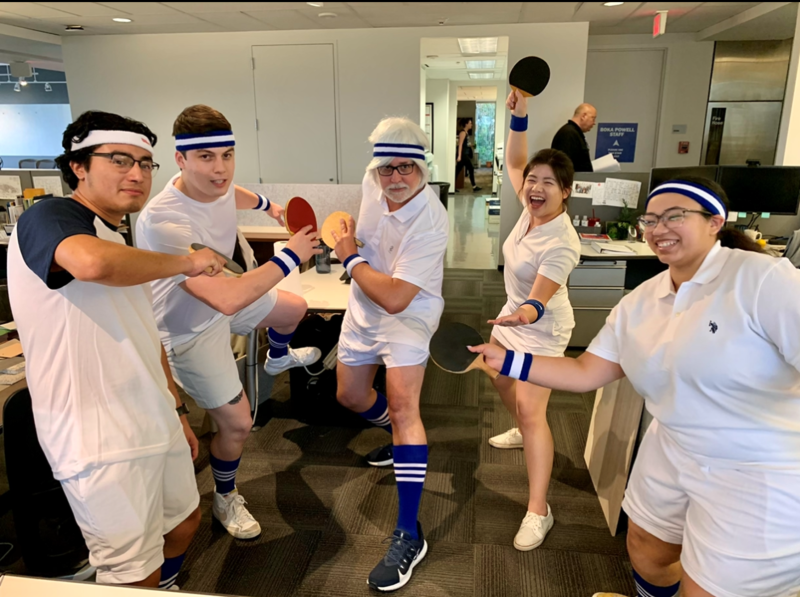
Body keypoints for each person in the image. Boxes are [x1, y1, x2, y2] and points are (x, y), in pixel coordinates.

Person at [470, 177, 800, 597]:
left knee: (706, 588)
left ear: (714, 222)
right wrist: (506, 360)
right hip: (673, 444)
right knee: (646, 549)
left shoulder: (762, 279)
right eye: (651, 219)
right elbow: (586, 371)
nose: (659, 228)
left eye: (675, 216)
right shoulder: (642, 301)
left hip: (757, 466)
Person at [7, 111, 230, 588]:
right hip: (96, 433)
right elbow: (89, 264)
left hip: (150, 414)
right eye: (120, 160)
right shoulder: (49, 217)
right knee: (131, 570)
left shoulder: (117, 236)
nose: (137, 174)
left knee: (184, 522)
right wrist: (187, 263)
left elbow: (144, 331)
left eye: (145, 164)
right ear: (78, 166)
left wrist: (175, 409)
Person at [136, 105, 321, 540]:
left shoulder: (215, 184)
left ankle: (277, 358)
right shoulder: (163, 221)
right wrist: (291, 255)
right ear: (180, 159)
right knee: (238, 424)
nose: (220, 169)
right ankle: (224, 496)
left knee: (293, 308)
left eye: (227, 155)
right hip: (189, 328)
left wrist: (271, 207)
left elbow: (232, 193)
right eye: (206, 157)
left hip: (224, 296)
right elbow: (226, 299)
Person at [331, 117, 448, 592]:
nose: (395, 177)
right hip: (364, 307)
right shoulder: (372, 184)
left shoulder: (431, 219)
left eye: (406, 167)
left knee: (403, 407)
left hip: (408, 314)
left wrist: (349, 257)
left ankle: (408, 534)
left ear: (422, 168)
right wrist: (349, 233)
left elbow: (398, 298)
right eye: (386, 168)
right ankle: (398, 438)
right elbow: (365, 230)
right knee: (350, 396)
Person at [485, 90, 581, 551]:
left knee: (531, 409)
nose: (536, 188)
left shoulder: (562, 241)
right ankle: (523, 431)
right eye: (532, 181)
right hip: (510, 319)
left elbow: (540, 298)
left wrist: (523, 313)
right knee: (499, 378)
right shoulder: (530, 210)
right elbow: (516, 159)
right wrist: (519, 116)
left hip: (539, 329)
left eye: (548, 183)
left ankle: (539, 510)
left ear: (566, 191)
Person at [551, 103, 597, 172]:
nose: (594, 123)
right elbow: (564, 166)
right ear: (584, 116)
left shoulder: (573, 132)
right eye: (593, 118)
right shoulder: (568, 134)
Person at [456, 117, 481, 192]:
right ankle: (474, 186)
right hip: (463, 155)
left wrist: (470, 145)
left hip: (464, 154)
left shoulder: (466, 133)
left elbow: (465, 144)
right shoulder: (463, 133)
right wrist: (459, 156)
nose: (471, 125)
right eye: (470, 123)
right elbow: (460, 145)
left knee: (457, 171)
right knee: (471, 168)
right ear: (466, 124)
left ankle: (452, 186)